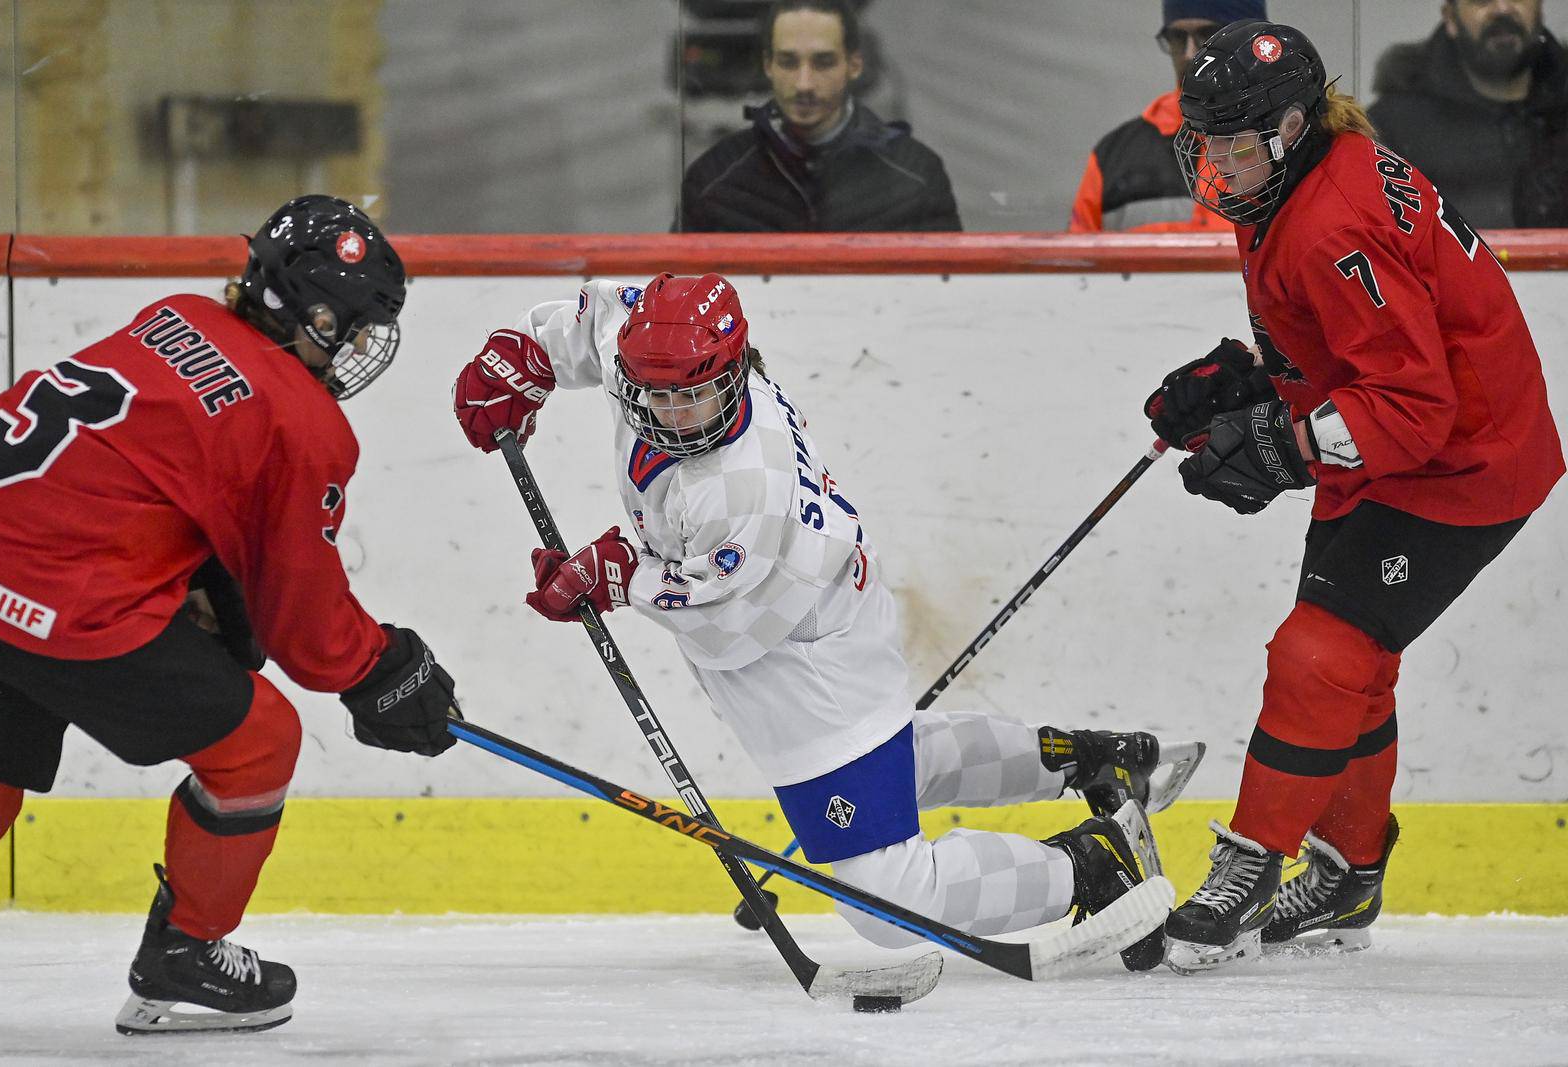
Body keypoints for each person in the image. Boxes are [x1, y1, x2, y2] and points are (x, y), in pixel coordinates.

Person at [451, 272, 1188, 971]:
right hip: (823, 595)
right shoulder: (657, 343)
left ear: (733, 373)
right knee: (892, 759)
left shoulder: (744, 484)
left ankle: (1094, 867)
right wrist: (525, 355)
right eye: (655, 397)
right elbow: (596, 317)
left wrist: (621, 575)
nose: (672, 417)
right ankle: (1086, 759)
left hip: (801, 646)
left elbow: (727, 624)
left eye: (694, 400)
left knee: (884, 897)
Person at [0, 194, 463, 1033]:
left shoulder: (174, 317)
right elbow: (304, 615)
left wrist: (206, 584)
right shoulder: (301, 416)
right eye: (351, 325)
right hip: (65, 598)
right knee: (258, 741)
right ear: (310, 313)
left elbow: (146, 477)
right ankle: (186, 956)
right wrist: (380, 668)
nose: (355, 348)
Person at [1145, 20, 1563, 973]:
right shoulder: (1295, 179)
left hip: (1464, 460)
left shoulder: (1334, 220)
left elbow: (1415, 403)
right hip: (1406, 436)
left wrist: (1286, 448)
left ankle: (1252, 859)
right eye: (1202, 143)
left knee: (1319, 654)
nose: (1214, 164)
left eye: (1233, 145)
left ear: (1292, 128)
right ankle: (1351, 870)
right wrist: (1253, 381)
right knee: (1350, 664)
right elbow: (1353, 342)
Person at [677, 0, 962, 232]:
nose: (805, 83)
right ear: (769, 68)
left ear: (854, 66)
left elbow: (943, 289)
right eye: (788, 62)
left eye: (823, 62)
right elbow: (685, 289)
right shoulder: (712, 179)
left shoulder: (915, 175)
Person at [1070, 0, 1267, 233]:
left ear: (1254, 43)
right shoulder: (1114, 156)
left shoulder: (1294, 141)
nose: (1189, 53)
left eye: (1208, 36)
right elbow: (1077, 265)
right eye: (1177, 38)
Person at [1368, 0, 1568, 228]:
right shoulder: (1393, 127)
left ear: (1540, 8)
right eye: (1481, 1)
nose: (1502, 9)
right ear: (1451, 19)